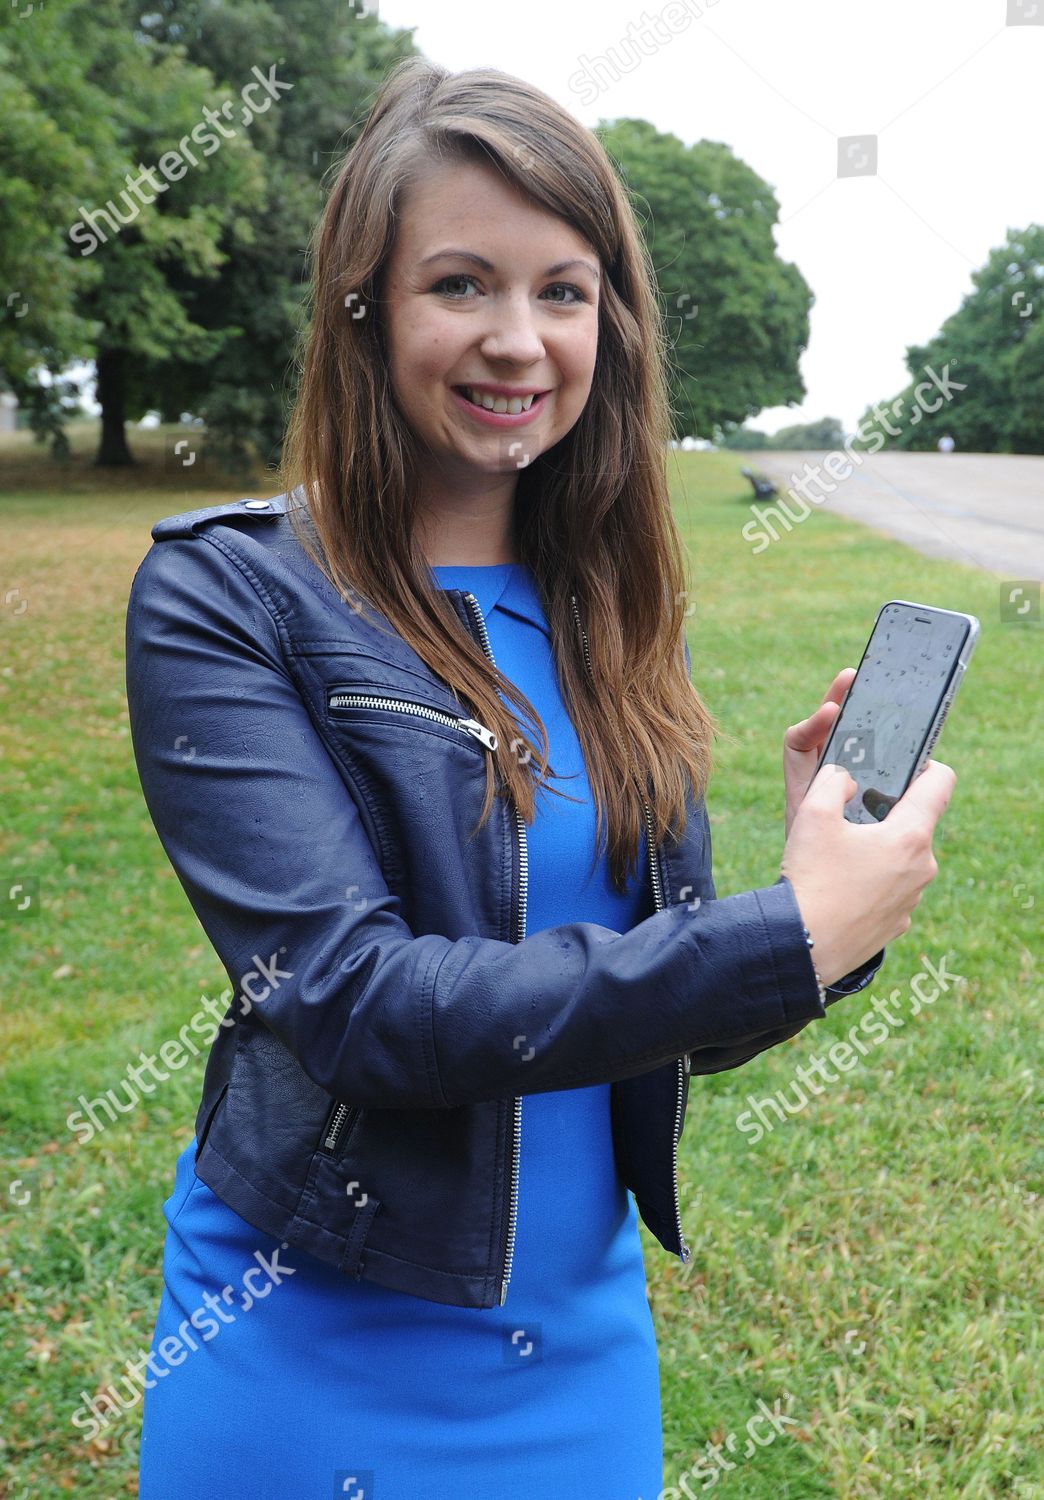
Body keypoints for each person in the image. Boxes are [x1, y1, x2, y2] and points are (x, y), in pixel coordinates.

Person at [126, 57, 955, 1499]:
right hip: (311, 1359)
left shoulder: (609, 607)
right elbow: (361, 1007)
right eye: (463, 284)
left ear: (609, 323)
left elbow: (658, 1013)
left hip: (581, 1368)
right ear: (366, 306)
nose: (520, 340)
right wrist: (780, 938)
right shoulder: (230, 598)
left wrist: (823, 907)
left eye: (563, 292)